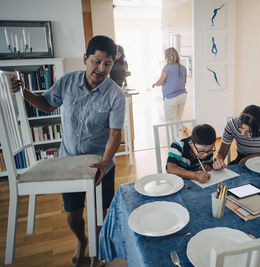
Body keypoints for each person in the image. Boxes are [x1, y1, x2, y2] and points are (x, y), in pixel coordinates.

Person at [11, 35, 125, 267]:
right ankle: (82, 241)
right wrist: (24, 92)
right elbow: (47, 104)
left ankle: (96, 251)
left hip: (101, 163)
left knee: (100, 215)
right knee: (73, 215)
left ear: (113, 63)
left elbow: (115, 134)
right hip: (69, 160)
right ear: (85, 58)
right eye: (96, 61)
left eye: (108, 63)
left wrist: (104, 162)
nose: (101, 68)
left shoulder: (116, 95)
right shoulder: (68, 82)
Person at [213, 105, 260, 170]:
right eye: (240, 127)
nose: (242, 134)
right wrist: (219, 160)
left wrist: (253, 157)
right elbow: (221, 153)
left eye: (249, 132)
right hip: (241, 160)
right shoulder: (231, 125)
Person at [152, 47, 187, 122]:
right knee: (178, 119)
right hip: (183, 96)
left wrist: (155, 84)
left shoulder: (166, 68)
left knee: (170, 121)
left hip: (171, 98)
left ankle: (174, 134)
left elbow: (161, 81)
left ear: (167, 57)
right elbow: (184, 82)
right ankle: (178, 133)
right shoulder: (183, 67)